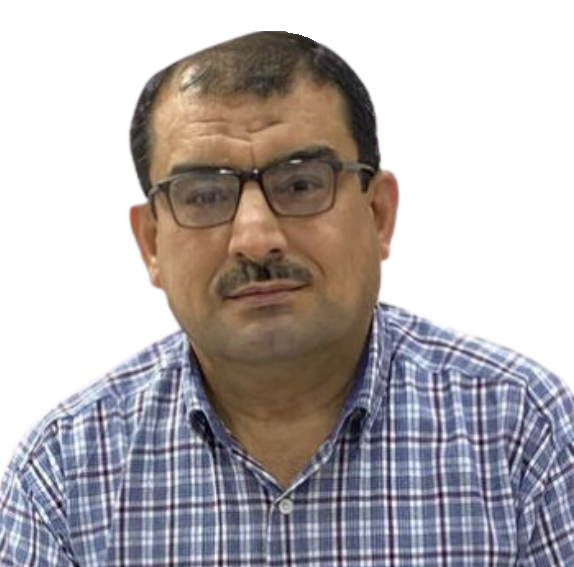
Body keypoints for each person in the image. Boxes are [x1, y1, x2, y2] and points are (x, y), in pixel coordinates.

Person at [1, 31, 573, 566]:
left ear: (378, 214)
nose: (255, 238)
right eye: (204, 196)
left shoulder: (522, 433)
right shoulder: (64, 477)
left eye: (300, 184)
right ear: (151, 243)